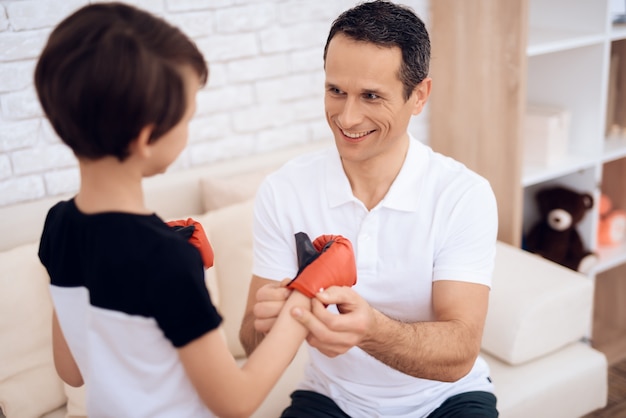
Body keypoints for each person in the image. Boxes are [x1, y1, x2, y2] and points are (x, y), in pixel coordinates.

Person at [34, 3, 318, 417]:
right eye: (187, 118)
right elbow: (235, 402)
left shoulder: (58, 226)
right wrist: (301, 302)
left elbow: (72, 371)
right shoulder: (165, 258)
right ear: (147, 137)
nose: (188, 129)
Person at [239, 1, 499, 417]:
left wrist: (371, 330)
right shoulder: (283, 190)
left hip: (445, 399)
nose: (347, 116)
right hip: (330, 398)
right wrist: (266, 323)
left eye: (371, 96)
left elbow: (460, 352)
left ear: (419, 96)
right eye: (335, 90)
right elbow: (250, 342)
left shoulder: (463, 195)